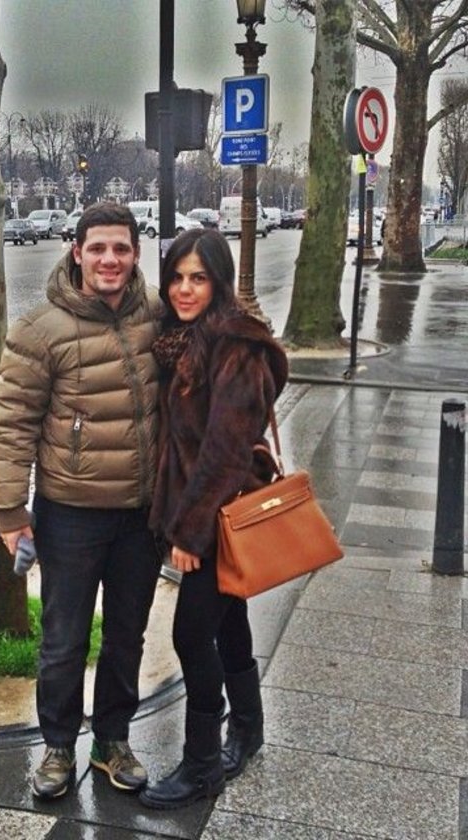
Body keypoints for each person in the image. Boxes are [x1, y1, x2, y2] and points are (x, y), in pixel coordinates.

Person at [0, 202, 163, 801]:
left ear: (135, 253)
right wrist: (10, 513)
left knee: (127, 637)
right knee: (63, 641)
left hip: (141, 515)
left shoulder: (155, 314)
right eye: (98, 248)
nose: (110, 259)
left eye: (121, 248)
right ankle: (58, 746)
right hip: (71, 515)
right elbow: (12, 425)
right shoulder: (40, 331)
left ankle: (112, 741)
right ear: (77, 252)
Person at [139, 228, 288, 810]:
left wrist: (191, 532)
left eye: (198, 278)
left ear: (219, 282)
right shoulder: (184, 339)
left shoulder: (235, 347)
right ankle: (247, 728)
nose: (184, 289)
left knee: (191, 634)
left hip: (218, 516)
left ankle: (202, 766)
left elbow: (225, 452)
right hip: (203, 510)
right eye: (177, 277)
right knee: (228, 621)